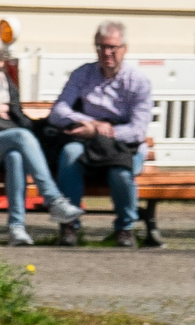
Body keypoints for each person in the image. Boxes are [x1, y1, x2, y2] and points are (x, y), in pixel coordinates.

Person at [0, 38, 81, 248]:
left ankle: (17, 229)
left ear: (0, 62)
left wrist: (41, 125)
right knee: (21, 137)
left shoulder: (7, 84)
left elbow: (20, 118)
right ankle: (54, 200)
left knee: (16, 157)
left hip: (6, 147)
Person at [46, 19, 156, 248]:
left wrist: (108, 132)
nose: (107, 53)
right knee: (69, 154)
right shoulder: (82, 74)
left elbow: (137, 130)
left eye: (112, 47)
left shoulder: (138, 82)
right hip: (88, 138)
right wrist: (93, 125)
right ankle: (69, 225)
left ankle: (125, 229)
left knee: (120, 172)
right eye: (101, 46)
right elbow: (58, 111)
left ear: (124, 49)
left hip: (123, 143)